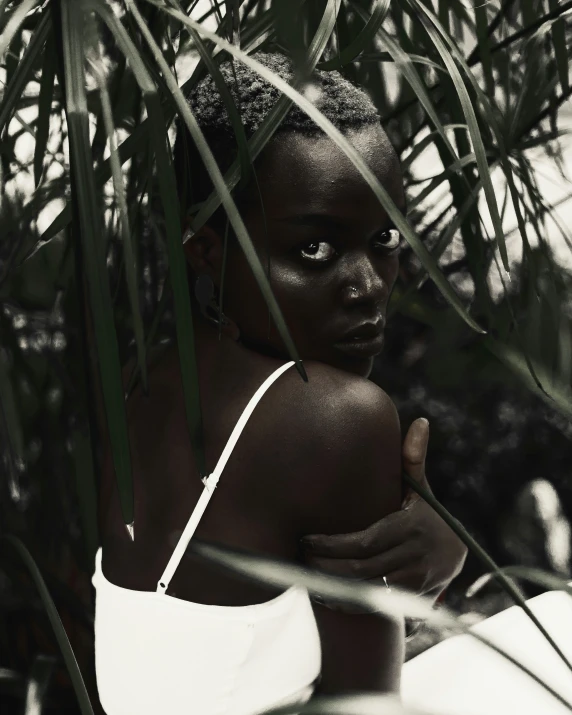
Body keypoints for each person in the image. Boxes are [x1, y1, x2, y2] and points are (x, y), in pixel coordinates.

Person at [92, 53, 467, 715]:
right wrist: (439, 568)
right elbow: (368, 705)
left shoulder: (139, 384)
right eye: (314, 250)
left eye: (384, 237)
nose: (368, 285)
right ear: (205, 247)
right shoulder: (338, 417)